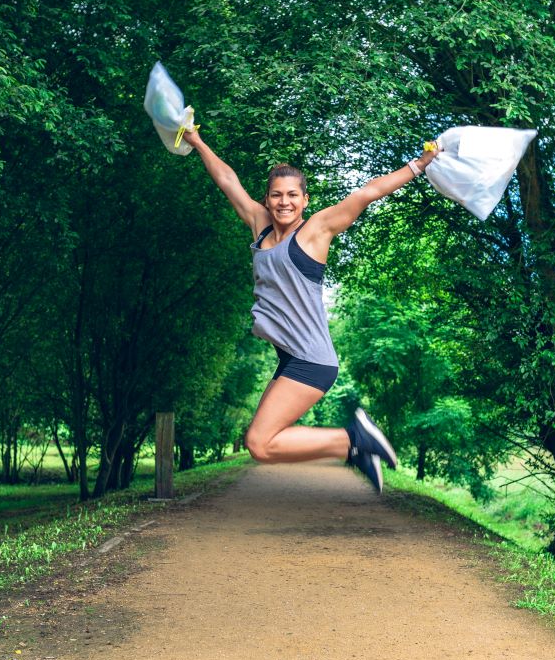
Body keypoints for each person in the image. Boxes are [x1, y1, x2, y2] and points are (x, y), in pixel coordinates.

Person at [181, 128, 439, 493]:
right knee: (263, 444)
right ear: (266, 200)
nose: (283, 202)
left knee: (259, 443)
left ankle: (353, 439)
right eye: (276, 195)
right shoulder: (259, 226)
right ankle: (355, 450)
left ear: (304, 200)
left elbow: (367, 193)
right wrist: (196, 142)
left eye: (291, 195)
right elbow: (227, 179)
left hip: (311, 360)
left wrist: (420, 164)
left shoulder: (316, 231)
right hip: (290, 357)